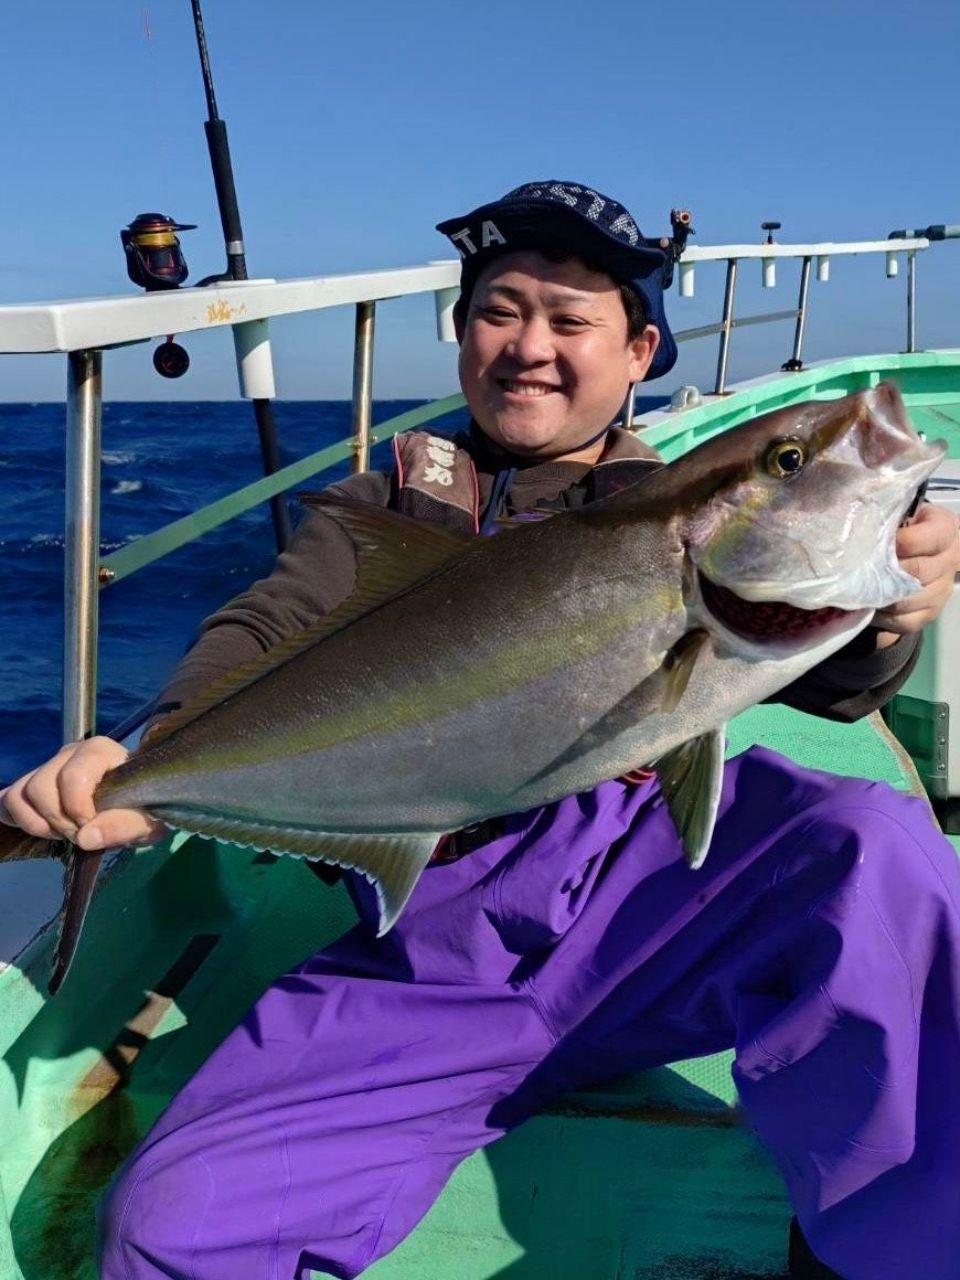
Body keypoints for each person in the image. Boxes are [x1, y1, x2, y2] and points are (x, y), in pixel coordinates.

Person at [3, 181, 960, 1280]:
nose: (529, 347)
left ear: (640, 350)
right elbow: (264, 626)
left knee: (873, 850)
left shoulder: (663, 503)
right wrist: (147, 753)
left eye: (571, 320)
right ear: (462, 331)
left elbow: (838, 685)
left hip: (645, 896)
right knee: (167, 1225)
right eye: (501, 310)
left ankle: (909, 1250)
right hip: (428, 948)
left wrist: (889, 607)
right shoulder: (383, 508)